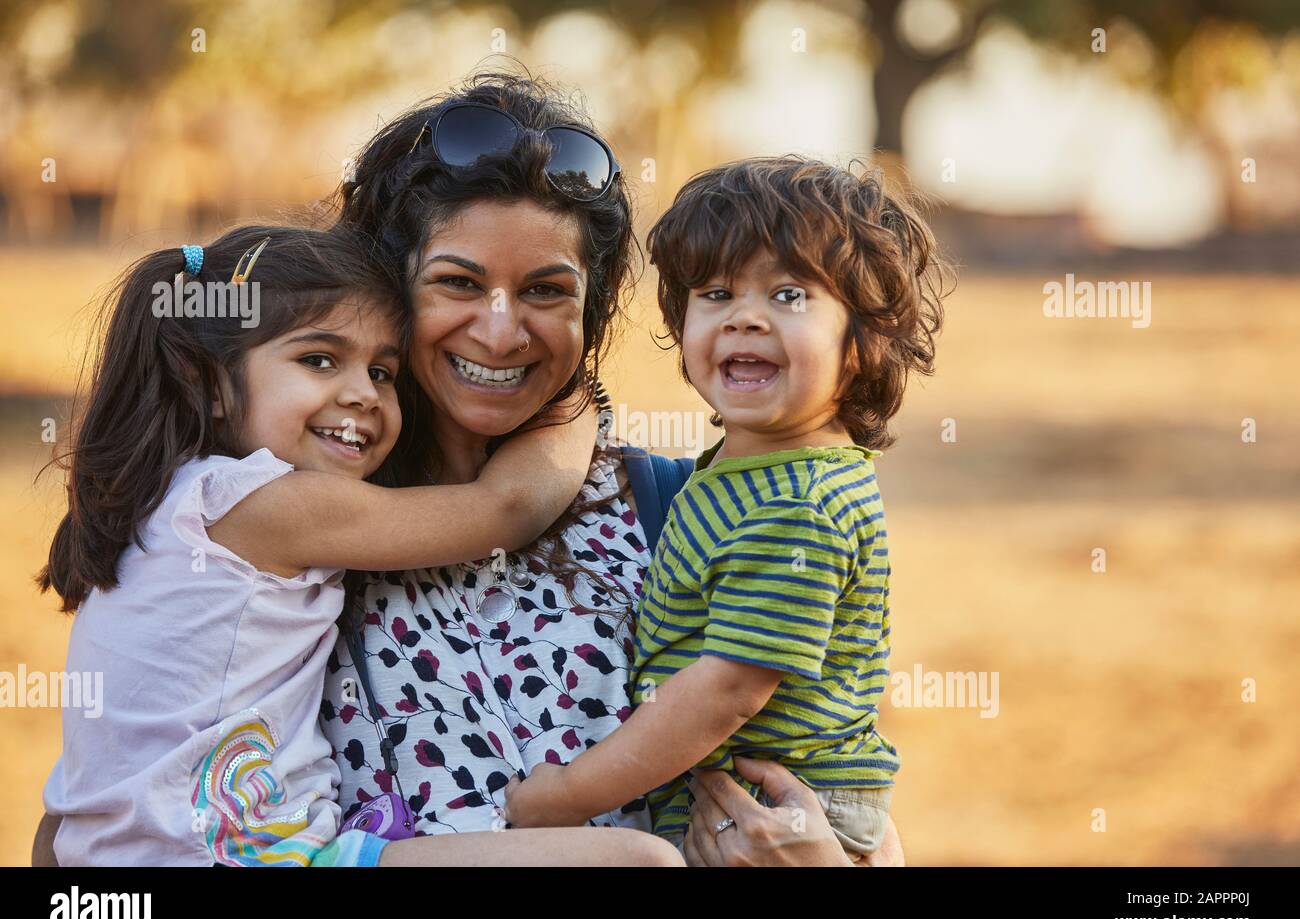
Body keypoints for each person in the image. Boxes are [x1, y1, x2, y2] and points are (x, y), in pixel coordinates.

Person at [36, 224, 601, 866]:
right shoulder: (264, 504)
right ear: (210, 384)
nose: (364, 393)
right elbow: (504, 509)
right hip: (240, 859)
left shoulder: (165, 506)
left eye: (383, 371)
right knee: (640, 863)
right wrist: (575, 396)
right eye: (319, 360)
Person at [504, 156, 948, 860]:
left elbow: (726, 692)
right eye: (715, 293)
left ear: (863, 340)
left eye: (790, 295)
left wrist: (567, 795)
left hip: (780, 812)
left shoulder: (795, 504)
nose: (745, 317)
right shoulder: (750, 472)